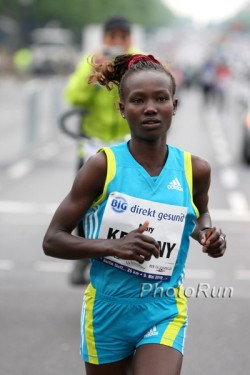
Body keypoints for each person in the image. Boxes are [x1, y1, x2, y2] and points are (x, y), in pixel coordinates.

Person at [43, 53, 227, 375]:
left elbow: (199, 217)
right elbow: (52, 240)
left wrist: (209, 236)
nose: (151, 107)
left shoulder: (195, 169)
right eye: (138, 100)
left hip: (163, 308)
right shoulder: (102, 167)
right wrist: (114, 246)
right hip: (107, 311)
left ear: (174, 104)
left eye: (161, 98)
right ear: (122, 109)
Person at [64, 15, 140, 285]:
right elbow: (73, 96)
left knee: (128, 206)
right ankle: (83, 257)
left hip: (126, 145)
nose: (118, 42)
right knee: (85, 204)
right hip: (93, 145)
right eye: (113, 36)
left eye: (123, 36)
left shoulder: (136, 63)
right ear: (104, 38)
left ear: (129, 39)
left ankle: (125, 259)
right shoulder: (91, 60)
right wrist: (93, 73)